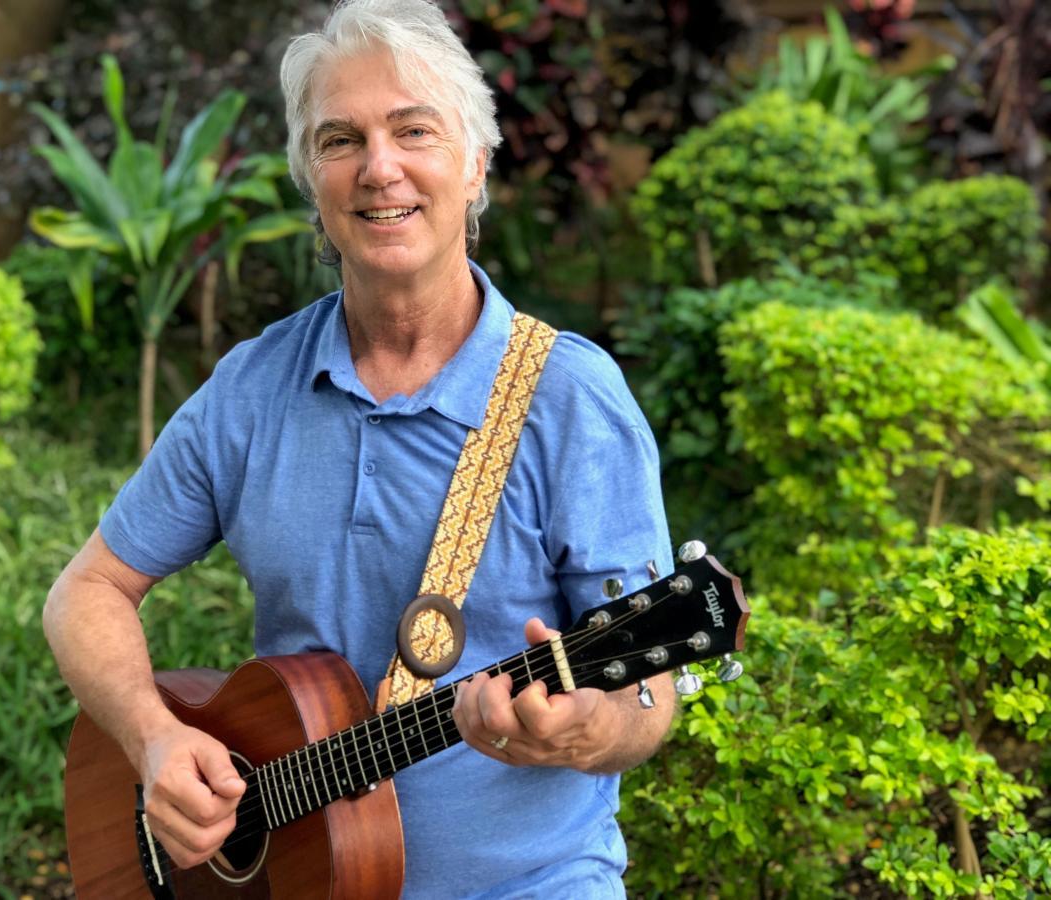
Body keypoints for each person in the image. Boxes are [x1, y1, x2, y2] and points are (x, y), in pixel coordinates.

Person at [42, 0, 676, 896]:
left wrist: (584, 730)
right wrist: (153, 736)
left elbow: (647, 700)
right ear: (312, 178)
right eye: (341, 140)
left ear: (474, 163)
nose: (380, 169)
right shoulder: (253, 387)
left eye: (413, 129)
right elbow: (87, 591)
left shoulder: (569, 399)